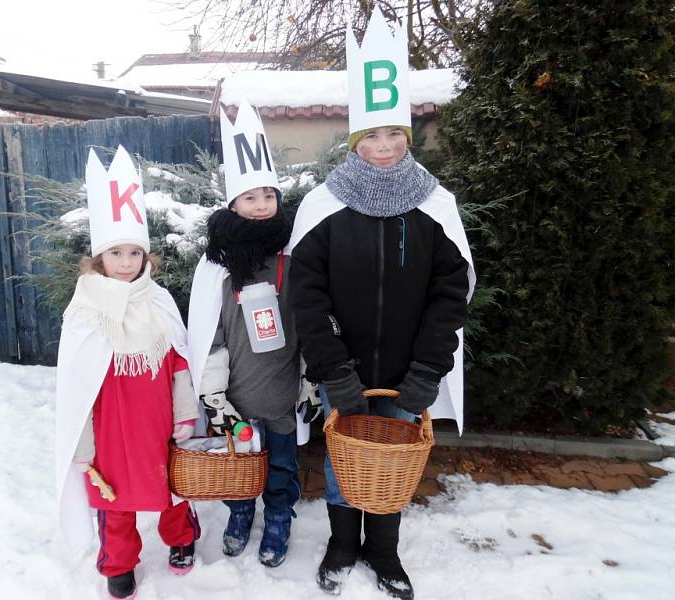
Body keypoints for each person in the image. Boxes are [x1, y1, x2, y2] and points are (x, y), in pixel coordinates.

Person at [287, 8, 475, 600]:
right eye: (373, 134)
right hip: (344, 368)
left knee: (391, 465)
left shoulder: (433, 204)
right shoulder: (323, 207)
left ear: (408, 135)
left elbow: (451, 293)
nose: (386, 145)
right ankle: (343, 543)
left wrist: (426, 371)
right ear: (355, 138)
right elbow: (306, 296)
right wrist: (332, 369)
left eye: (395, 133)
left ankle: (385, 551)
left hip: (405, 371)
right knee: (348, 461)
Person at [55, 146, 201, 600]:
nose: (125, 261)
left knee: (169, 485)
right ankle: (118, 564)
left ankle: (181, 539)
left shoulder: (157, 300)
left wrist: (184, 416)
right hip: (111, 429)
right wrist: (82, 442)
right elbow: (75, 382)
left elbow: (178, 361)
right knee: (113, 499)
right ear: (99, 258)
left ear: (146, 257)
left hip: (156, 421)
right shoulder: (84, 309)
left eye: (134, 252)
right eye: (116, 252)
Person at [187, 99, 322, 569]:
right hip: (238, 391)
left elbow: (312, 320)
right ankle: (240, 514)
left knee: (282, 465)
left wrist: (311, 379)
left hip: (283, 390)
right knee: (239, 462)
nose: (262, 205)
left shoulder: (296, 252)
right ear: (233, 203)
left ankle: (279, 518)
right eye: (251, 197)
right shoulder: (217, 264)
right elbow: (211, 335)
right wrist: (213, 395)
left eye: (269, 195)